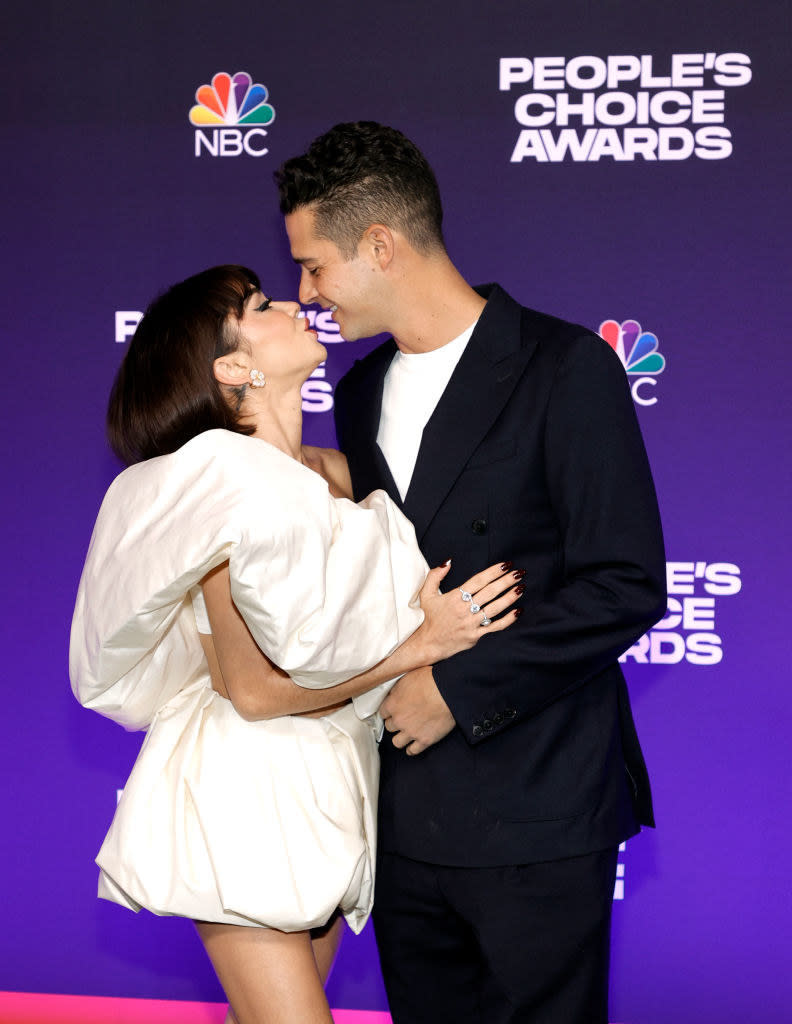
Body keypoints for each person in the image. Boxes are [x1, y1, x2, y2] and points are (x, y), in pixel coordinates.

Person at [276, 122, 667, 1024]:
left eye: (315, 266)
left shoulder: (564, 367)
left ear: (381, 246)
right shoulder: (360, 389)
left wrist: (457, 688)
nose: (307, 292)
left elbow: (624, 581)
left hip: (537, 800)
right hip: (407, 814)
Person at [69, 264, 521, 1024]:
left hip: (335, 778)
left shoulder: (340, 474)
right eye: (259, 306)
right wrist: (419, 648)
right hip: (247, 786)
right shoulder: (217, 485)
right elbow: (252, 691)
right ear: (234, 367)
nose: (291, 303)